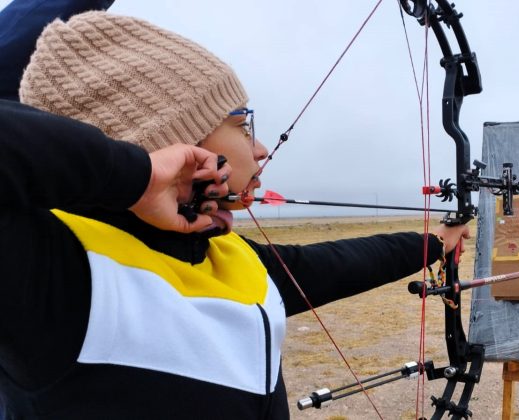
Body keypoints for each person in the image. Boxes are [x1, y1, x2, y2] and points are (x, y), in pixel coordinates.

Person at [0, 8, 469, 420]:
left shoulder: (223, 256)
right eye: (242, 126)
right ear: (176, 146)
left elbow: (333, 264)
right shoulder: (53, 271)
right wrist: (136, 173)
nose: (261, 149)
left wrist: (433, 243)